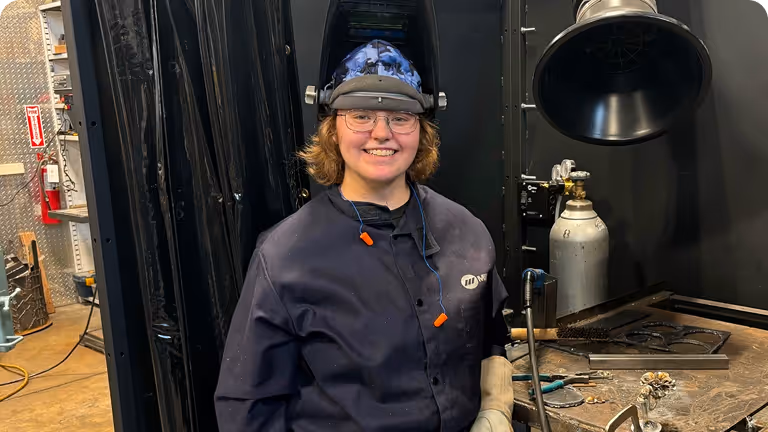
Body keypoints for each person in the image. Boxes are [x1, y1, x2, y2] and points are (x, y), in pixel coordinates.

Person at [215, 40, 516, 432]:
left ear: (421, 130)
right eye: (361, 115)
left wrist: (495, 409)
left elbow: (492, 338)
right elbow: (248, 409)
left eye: (400, 117)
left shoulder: (466, 232)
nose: (381, 133)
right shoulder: (285, 258)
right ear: (332, 130)